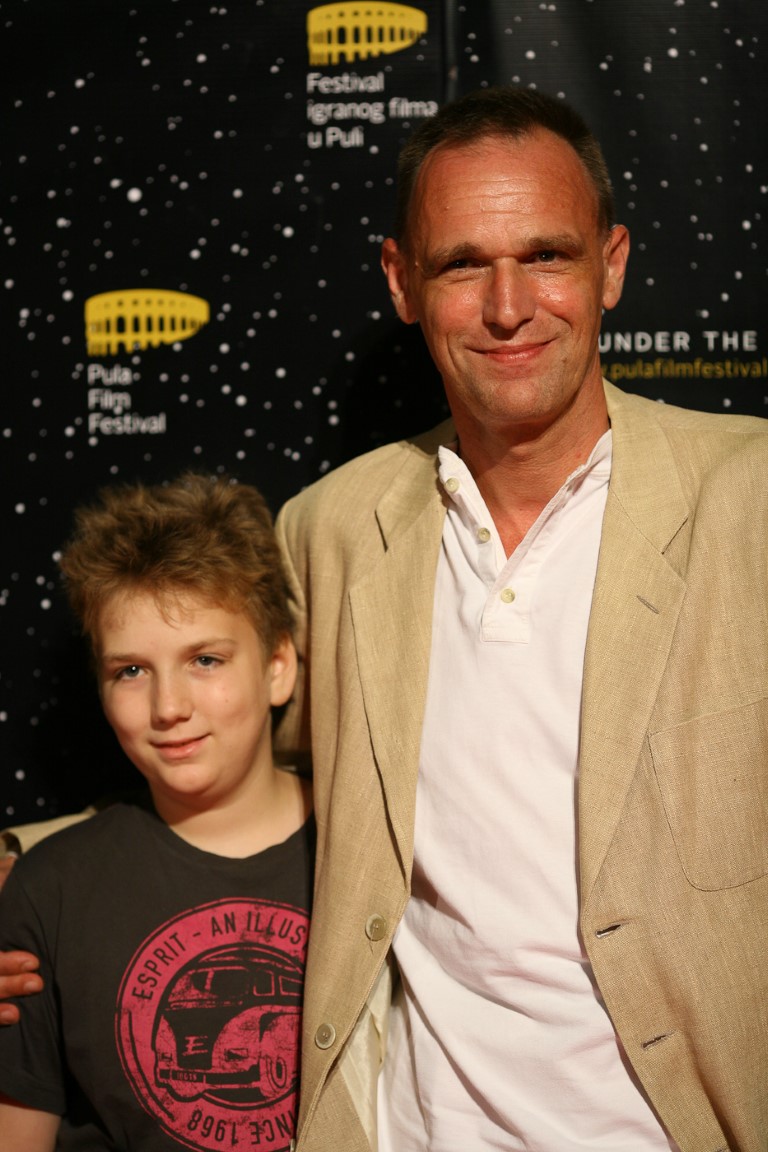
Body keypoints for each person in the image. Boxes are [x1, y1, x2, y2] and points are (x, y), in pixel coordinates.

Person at [2, 85, 768, 1150]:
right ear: (403, 282)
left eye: (547, 255)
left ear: (612, 264)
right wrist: (26, 871)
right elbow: (226, 747)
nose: (509, 306)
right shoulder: (331, 530)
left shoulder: (749, 498)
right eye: (462, 265)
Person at [0, 474, 313, 1150]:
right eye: (132, 671)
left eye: (205, 659)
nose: (169, 707)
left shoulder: (380, 849)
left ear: (278, 665)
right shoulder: (48, 890)